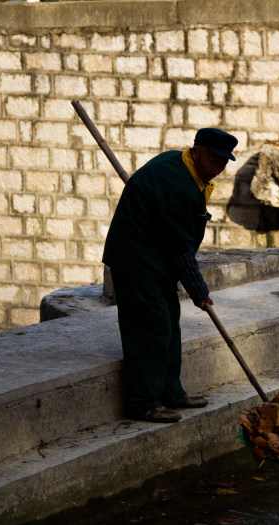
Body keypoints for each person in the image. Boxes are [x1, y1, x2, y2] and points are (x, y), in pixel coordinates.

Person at [102, 128, 238, 423]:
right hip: (136, 259)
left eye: (223, 163)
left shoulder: (186, 170)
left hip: (156, 257)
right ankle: (143, 402)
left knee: (169, 321)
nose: (217, 168)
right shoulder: (175, 180)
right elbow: (180, 248)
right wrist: (198, 291)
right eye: (213, 160)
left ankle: (170, 392)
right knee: (149, 327)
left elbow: (177, 242)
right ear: (197, 151)